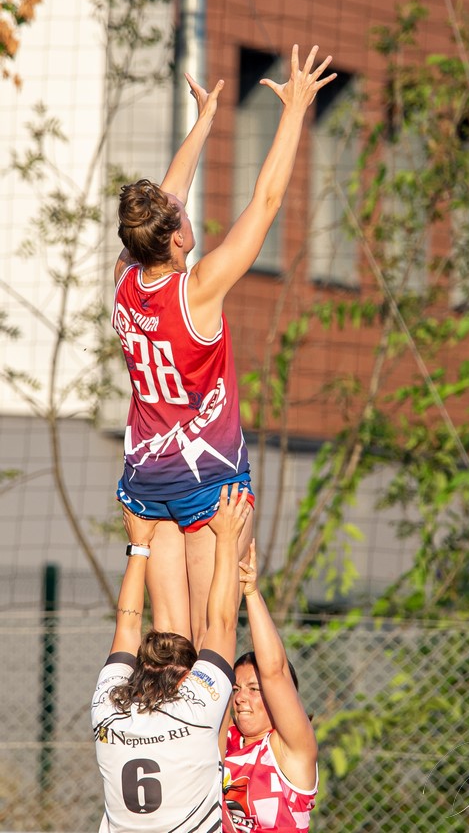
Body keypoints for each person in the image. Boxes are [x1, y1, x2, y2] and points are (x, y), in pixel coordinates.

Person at [112, 45, 337, 646]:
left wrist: (204, 121)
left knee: (169, 641)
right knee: (216, 632)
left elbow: (164, 201)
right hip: (209, 480)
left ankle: (158, 737)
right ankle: (202, 743)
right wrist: (294, 112)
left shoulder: (124, 280)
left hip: (146, 481)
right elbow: (265, 203)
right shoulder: (200, 289)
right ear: (178, 236)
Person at [92, 484, 249, 833]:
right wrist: (138, 545)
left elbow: (220, 624)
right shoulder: (106, 711)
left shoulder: (195, 710)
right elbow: (128, 625)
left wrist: (225, 538)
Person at [222, 540, 318, 833]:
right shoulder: (224, 738)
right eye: (236, 689)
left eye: (254, 689)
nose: (241, 697)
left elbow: (274, 672)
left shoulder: (289, 749)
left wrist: (250, 592)